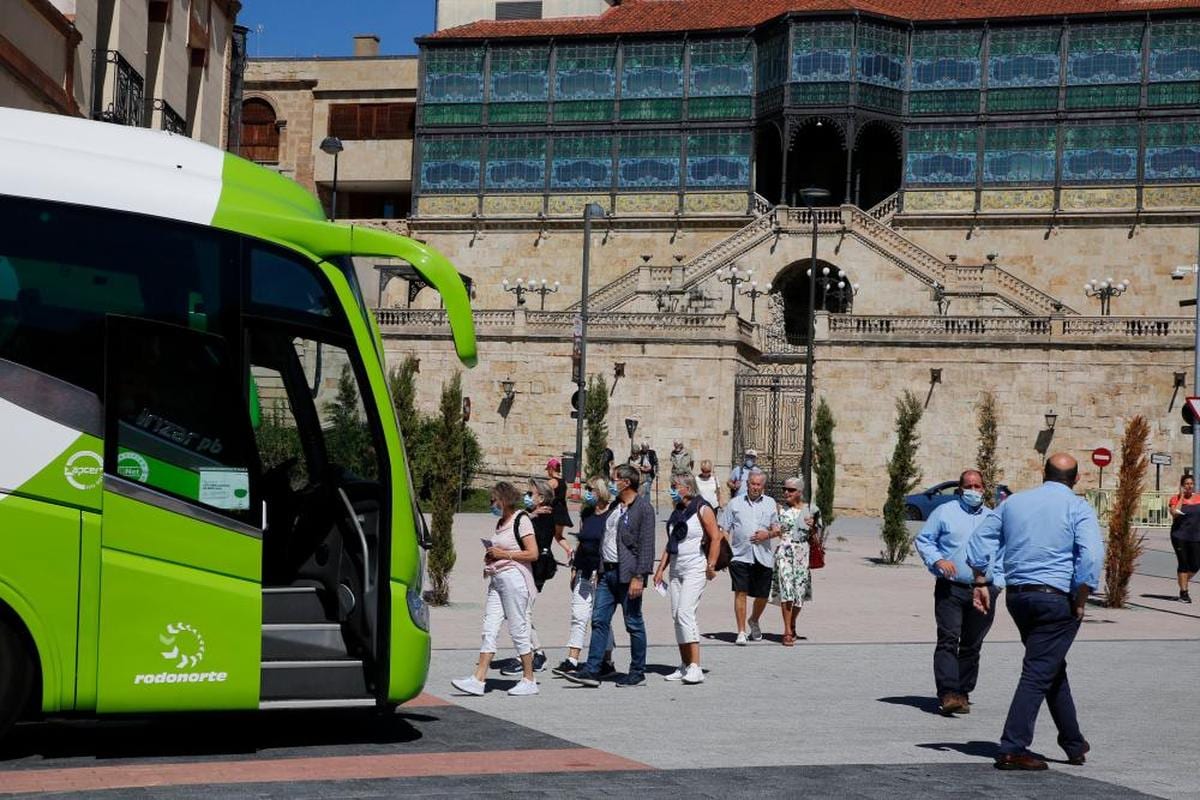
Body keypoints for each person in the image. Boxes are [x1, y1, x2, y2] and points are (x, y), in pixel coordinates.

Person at [967, 453, 1104, 771]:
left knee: (1050, 666)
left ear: (1044, 473)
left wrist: (979, 580)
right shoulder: (1078, 506)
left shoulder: (1013, 503)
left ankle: (1073, 742)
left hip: (1018, 597)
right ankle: (1013, 747)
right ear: (1077, 478)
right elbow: (1092, 555)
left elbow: (980, 539)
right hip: (1057, 599)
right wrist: (1082, 598)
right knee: (1038, 671)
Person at [915, 469, 1005, 715]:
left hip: (985, 590)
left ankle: (963, 692)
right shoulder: (944, 512)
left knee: (972, 644)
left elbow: (1005, 551)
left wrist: (997, 583)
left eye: (978, 486)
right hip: (951, 587)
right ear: (960, 490)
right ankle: (948, 693)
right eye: (969, 486)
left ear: (984, 489)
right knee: (948, 639)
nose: (974, 491)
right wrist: (938, 560)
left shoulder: (993, 518)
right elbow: (924, 540)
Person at [561, 464, 656, 688]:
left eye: (615, 479)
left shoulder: (643, 509)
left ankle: (637, 670)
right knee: (599, 620)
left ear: (626, 482)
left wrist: (639, 576)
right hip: (607, 573)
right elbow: (606, 537)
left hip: (628, 574)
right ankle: (593, 670)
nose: (613, 483)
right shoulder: (615, 506)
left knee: (633, 622)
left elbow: (646, 546)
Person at [451, 482, 541, 697]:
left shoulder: (521, 519)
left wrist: (503, 555)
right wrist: (491, 557)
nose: (491, 504)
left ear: (504, 499)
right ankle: (478, 678)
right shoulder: (501, 522)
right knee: (489, 627)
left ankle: (529, 679)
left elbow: (533, 554)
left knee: (518, 628)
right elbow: (502, 549)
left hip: (515, 579)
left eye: (493, 500)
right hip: (497, 578)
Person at [652, 472, 722, 684]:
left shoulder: (703, 508)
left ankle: (695, 666)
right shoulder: (677, 511)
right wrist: (660, 568)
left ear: (687, 487)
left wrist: (711, 565)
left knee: (685, 613)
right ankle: (684, 664)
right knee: (676, 616)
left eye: (675, 486)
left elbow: (716, 537)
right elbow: (671, 542)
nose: (671, 490)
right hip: (676, 568)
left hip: (694, 567)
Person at [555, 477, 616, 676]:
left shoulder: (612, 514)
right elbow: (581, 540)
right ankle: (572, 658)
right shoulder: (587, 513)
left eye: (590, 489)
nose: (586, 493)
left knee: (600, 618)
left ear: (600, 491)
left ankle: (607, 661)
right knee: (578, 615)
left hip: (602, 572)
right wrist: (574, 568)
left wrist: (602, 571)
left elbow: (610, 546)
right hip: (583, 569)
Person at [500, 478, 557, 675]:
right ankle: (537, 653)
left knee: (522, 612)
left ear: (541, 498)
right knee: (521, 611)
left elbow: (535, 541)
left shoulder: (546, 516)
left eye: (530, 494)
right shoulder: (534, 515)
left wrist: (530, 516)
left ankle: (527, 655)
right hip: (530, 567)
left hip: (537, 567)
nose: (527, 497)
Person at [722, 469, 779, 645]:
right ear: (747, 484)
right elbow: (724, 529)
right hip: (740, 555)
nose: (755, 487)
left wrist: (767, 535)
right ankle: (741, 631)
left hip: (763, 556)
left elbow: (777, 528)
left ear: (763, 486)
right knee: (741, 592)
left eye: (758, 485)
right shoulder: (734, 503)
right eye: (752, 484)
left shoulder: (770, 503)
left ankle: (753, 619)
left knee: (762, 595)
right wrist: (724, 554)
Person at [771, 476, 820, 647]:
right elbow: (774, 529)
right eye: (785, 489)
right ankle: (787, 631)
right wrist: (774, 531)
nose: (786, 492)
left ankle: (792, 622)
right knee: (787, 592)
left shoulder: (811, 509)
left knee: (799, 596)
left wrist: (812, 526)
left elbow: (816, 536)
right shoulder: (779, 509)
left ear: (800, 492)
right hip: (784, 552)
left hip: (802, 554)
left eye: (791, 490)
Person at [1168, 473, 1200, 603]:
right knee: (1183, 563)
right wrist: (1181, 497)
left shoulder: (1198, 498)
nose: (1189, 486)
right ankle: (1184, 593)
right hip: (1179, 536)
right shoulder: (1175, 499)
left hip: (1196, 536)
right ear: (1182, 485)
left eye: (1191, 484)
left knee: (1196, 565)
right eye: (1186, 484)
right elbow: (1175, 514)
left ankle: (1183, 581)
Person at [544, 457, 574, 553]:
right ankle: (570, 550)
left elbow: (545, 497)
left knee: (547, 533)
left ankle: (545, 553)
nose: (547, 472)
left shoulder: (552, 482)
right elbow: (567, 495)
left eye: (548, 469)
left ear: (551, 469)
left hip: (554, 512)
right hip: (562, 511)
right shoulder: (564, 482)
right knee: (558, 535)